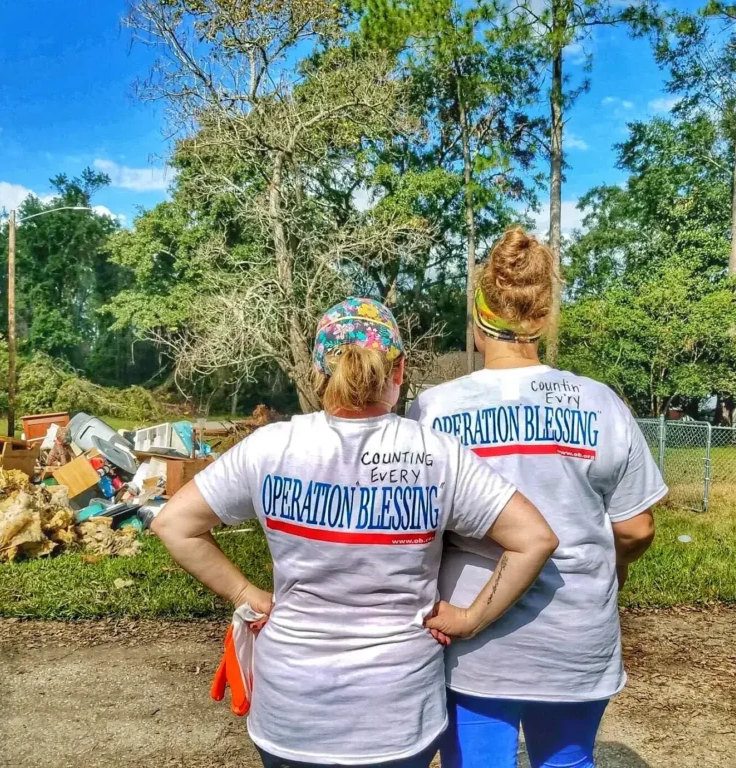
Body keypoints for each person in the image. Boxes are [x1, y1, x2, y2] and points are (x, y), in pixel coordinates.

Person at [152, 297, 559, 768]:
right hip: (396, 716)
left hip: (291, 712)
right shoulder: (436, 454)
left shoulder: (271, 447)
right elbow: (534, 538)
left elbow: (174, 524)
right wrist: (470, 619)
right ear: (399, 370)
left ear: (317, 373)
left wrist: (247, 592)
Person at [409, 230, 665, 768]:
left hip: (472, 636)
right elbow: (636, 529)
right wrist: (614, 569)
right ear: (544, 317)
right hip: (575, 635)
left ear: (479, 318)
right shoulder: (600, 404)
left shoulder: (433, 410)